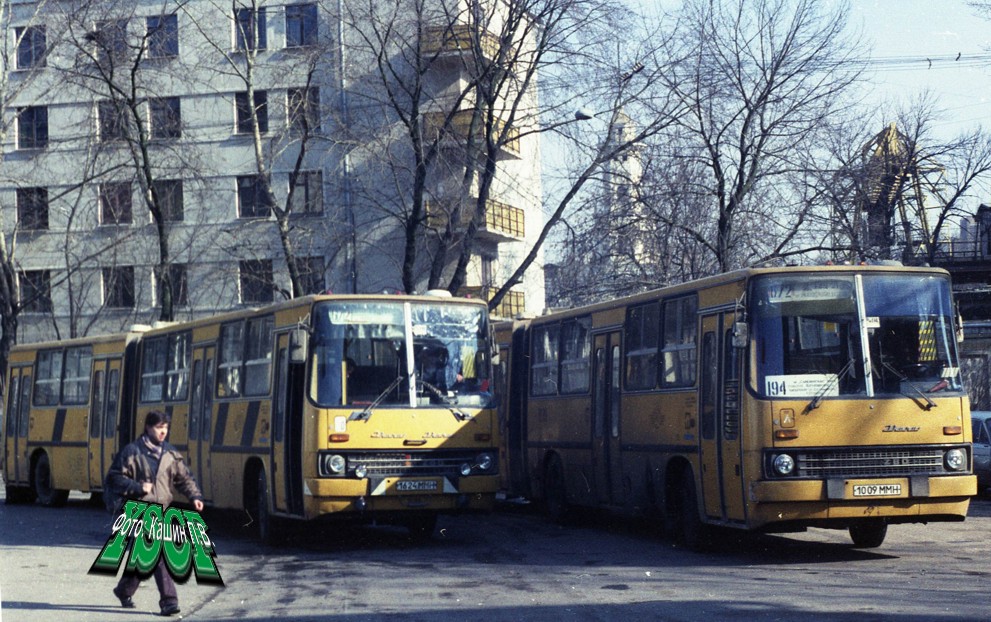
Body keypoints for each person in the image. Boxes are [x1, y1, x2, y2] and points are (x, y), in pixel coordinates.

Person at [105, 410, 204, 617]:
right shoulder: (132, 452)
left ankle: (123, 590)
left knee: (145, 556)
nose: (163, 432)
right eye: (159, 428)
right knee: (157, 553)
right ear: (148, 428)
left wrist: (195, 496)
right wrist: (138, 487)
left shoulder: (170, 454)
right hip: (137, 509)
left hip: (161, 510)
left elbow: (184, 478)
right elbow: (114, 478)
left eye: (166, 428)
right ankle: (169, 601)